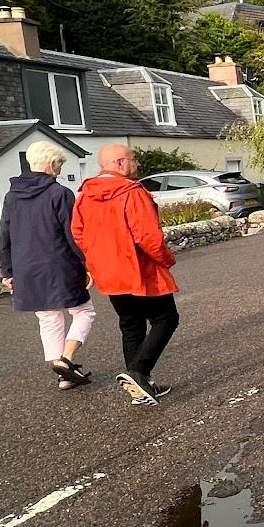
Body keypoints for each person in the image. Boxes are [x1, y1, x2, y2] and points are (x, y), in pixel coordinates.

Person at [71, 142, 179, 405]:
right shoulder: (131, 192)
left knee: (131, 326)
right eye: (133, 159)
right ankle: (139, 371)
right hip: (139, 269)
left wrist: (98, 259)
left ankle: (141, 386)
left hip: (109, 272)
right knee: (166, 318)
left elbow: (78, 232)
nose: (137, 164)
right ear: (120, 163)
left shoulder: (85, 195)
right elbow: (148, 236)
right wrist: (167, 259)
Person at [0, 140, 94, 390]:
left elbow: (5, 235)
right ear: (51, 163)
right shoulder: (59, 193)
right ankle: (66, 360)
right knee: (84, 311)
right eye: (60, 164)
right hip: (60, 264)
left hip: (26, 268)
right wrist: (88, 264)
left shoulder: (12, 196)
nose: (60, 170)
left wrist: (8, 271)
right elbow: (73, 234)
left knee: (48, 319)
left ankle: (63, 375)